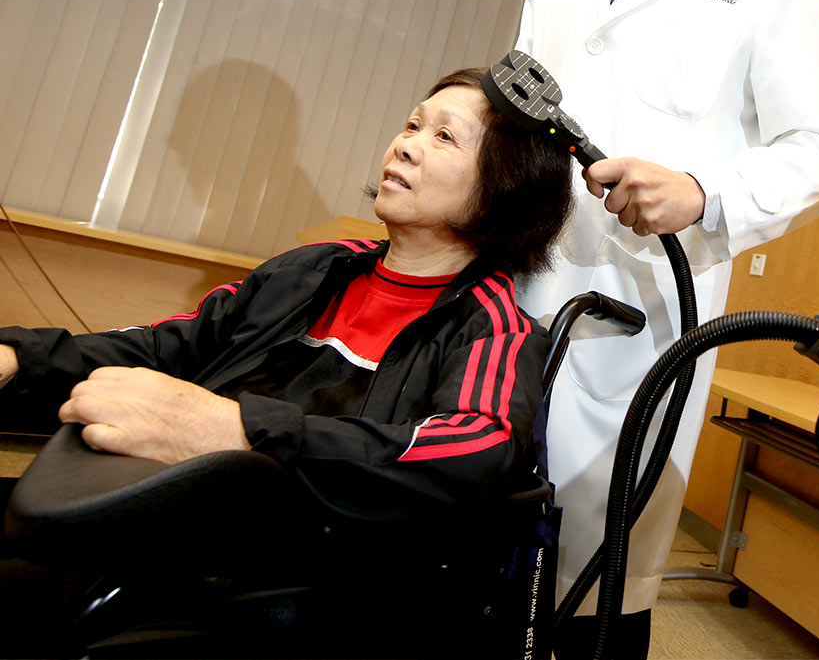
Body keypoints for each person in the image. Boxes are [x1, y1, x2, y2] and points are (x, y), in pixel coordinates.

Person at [0, 68, 574, 653]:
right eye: (411, 124)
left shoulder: (493, 327)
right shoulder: (310, 270)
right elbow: (167, 346)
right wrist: (19, 357)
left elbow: (472, 450)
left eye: (444, 137)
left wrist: (236, 429)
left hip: (298, 589)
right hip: (172, 527)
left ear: (505, 187)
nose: (405, 144)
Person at [515, 0, 819, 656]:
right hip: (518, 316)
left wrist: (703, 193)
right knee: (497, 575)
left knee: (596, 599)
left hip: (642, 331)